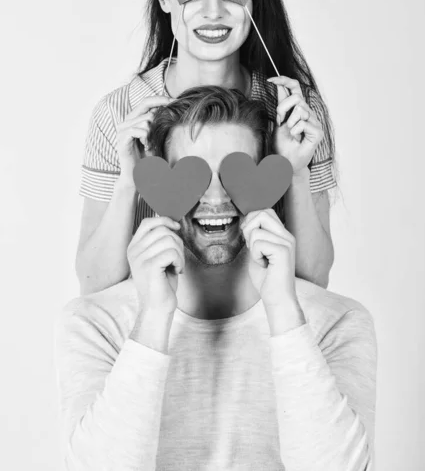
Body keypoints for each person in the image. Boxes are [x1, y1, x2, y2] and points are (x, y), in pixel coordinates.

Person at [57, 86, 376, 471]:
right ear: (160, 182)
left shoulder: (338, 322)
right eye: (193, 173)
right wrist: (154, 317)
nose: (215, 196)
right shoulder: (93, 325)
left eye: (233, 172)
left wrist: (282, 310)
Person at [76, 0, 337, 296]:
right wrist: (129, 182)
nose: (213, 11)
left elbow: (314, 282)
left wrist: (294, 172)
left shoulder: (294, 112)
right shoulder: (118, 113)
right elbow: (94, 285)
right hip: (157, 339)